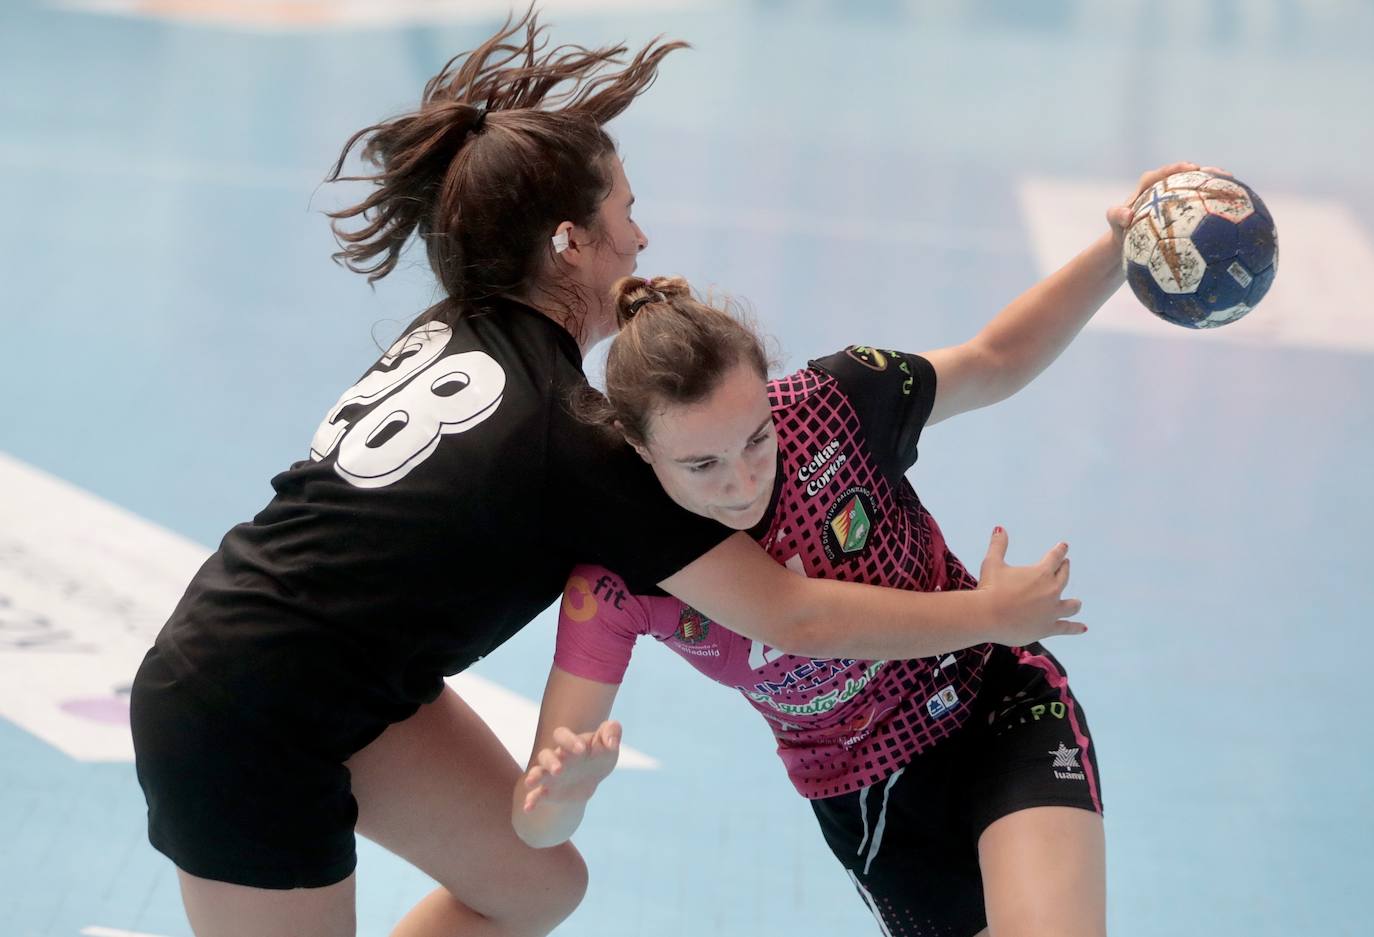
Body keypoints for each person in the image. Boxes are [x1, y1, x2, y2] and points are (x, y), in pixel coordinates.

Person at [128, 9, 1085, 937]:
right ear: (568, 240)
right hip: (242, 717)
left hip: (322, 675)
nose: (640, 238)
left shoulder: (455, 330)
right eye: (625, 212)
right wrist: (989, 616)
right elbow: (791, 613)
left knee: (535, 884)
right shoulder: (573, 440)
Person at [514, 162, 1208, 937]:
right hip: (865, 794)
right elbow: (536, 820)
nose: (742, 482)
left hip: (994, 701)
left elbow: (996, 359)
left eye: (756, 440)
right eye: (701, 465)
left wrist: (1114, 250)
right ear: (639, 449)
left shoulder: (836, 402)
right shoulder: (619, 572)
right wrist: (566, 791)